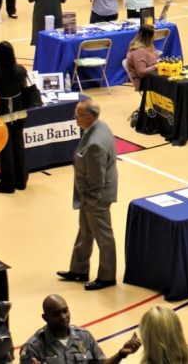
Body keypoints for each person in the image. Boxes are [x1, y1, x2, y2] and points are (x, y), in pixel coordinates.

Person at [57, 99, 119, 291]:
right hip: (91, 195)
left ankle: (107, 276)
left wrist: (89, 201)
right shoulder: (99, 127)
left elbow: (96, 179)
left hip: (96, 196)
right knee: (85, 230)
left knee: (103, 236)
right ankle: (79, 269)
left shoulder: (95, 144)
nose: (75, 118)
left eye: (78, 115)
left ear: (90, 117)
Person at [20, 294, 140, 364]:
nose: (63, 317)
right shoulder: (33, 348)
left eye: (65, 311)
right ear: (45, 318)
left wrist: (120, 354)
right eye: (56, 314)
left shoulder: (84, 336)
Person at [0, 42, 30, 193]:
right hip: (19, 113)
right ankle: (21, 180)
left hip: (2, 116)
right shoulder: (21, 71)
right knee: (19, 146)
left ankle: (8, 184)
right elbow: (25, 87)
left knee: (6, 149)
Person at [127, 25, 159, 91]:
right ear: (149, 37)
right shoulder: (139, 51)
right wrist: (156, 66)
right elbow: (141, 73)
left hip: (152, 76)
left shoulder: (150, 45)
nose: (155, 36)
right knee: (170, 84)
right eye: (154, 34)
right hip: (143, 82)